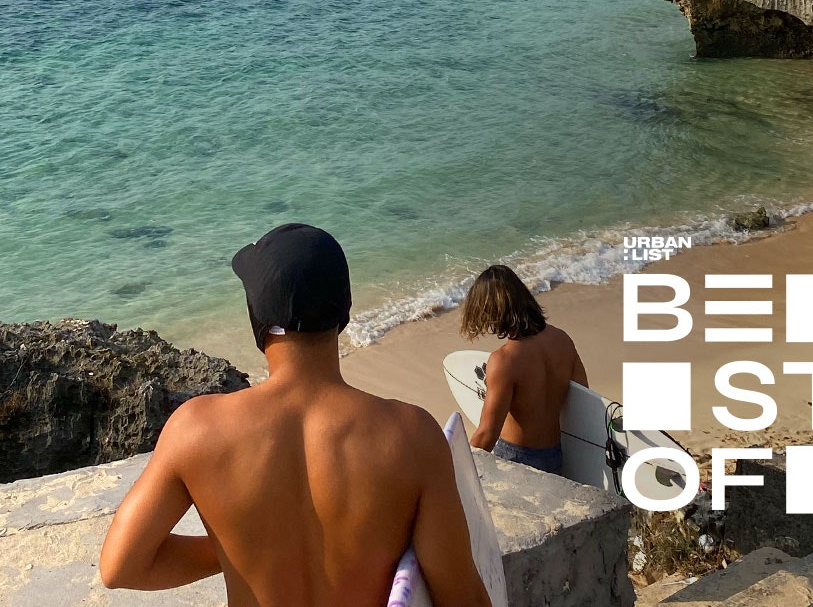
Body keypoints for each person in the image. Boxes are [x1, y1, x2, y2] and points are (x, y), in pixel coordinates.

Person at [100, 224, 490, 607]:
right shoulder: (411, 437)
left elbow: (121, 567)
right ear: (343, 312)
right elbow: (462, 597)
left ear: (257, 316)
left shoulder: (196, 430)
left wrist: (234, 548)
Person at [460, 264, 586, 474]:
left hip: (515, 458)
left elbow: (487, 434)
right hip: (554, 455)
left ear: (494, 312)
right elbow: (581, 399)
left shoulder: (504, 361)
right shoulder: (563, 340)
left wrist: (460, 470)